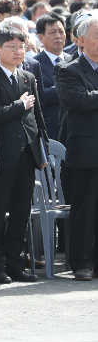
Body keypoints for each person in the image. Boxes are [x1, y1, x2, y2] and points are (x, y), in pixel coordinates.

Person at [0, 26, 48, 284]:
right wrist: (20, 105)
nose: (19, 51)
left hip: (27, 154)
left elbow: (38, 116)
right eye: (12, 47)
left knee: (21, 212)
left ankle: (16, 263)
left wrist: (40, 149)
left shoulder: (28, 77)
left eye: (22, 47)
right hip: (1, 155)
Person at [56, 16, 98, 281]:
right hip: (86, 150)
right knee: (84, 208)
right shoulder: (68, 69)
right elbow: (78, 101)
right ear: (80, 41)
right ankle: (80, 262)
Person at [34, 12, 67, 140]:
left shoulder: (75, 61)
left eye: (61, 31)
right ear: (41, 38)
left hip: (77, 128)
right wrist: (68, 88)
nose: (58, 36)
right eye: (52, 32)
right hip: (51, 128)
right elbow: (38, 95)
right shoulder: (34, 64)